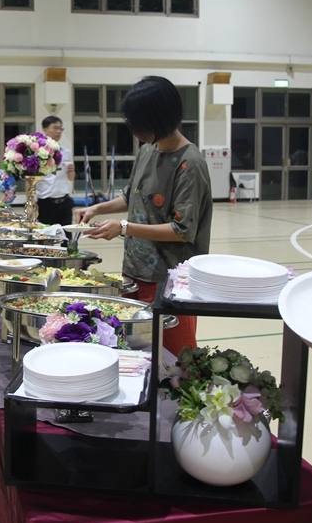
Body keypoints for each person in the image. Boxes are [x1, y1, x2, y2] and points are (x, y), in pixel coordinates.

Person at [75, 76, 212, 355]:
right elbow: (131, 196)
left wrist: (124, 227)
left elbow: (181, 229)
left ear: (159, 117)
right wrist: (96, 208)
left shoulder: (190, 163)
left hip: (170, 280)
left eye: (139, 122)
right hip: (134, 273)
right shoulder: (147, 151)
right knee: (135, 352)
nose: (135, 130)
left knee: (174, 358)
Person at [35, 115, 76, 226]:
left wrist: (71, 171)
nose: (58, 131)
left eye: (60, 128)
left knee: (66, 236)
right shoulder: (38, 152)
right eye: (55, 128)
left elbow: (71, 178)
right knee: (45, 237)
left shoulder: (66, 151)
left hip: (64, 201)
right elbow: (30, 179)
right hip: (46, 202)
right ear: (45, 129)